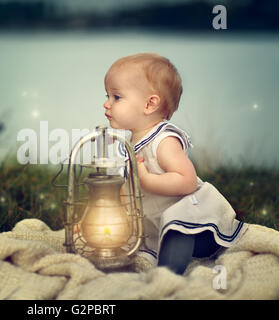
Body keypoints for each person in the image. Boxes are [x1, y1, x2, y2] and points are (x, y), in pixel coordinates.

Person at [104, 52, 248, 275]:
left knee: (177, 230)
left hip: (197, 225)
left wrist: (147, 179)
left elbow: (186, 181)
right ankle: (152, 260)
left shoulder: (164, 140)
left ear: (150, 104)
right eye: (107, 95)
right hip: (157, 226)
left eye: (116, 97)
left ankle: (168, 277)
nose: (106, 104)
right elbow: (127, 189)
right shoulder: (129, 144)